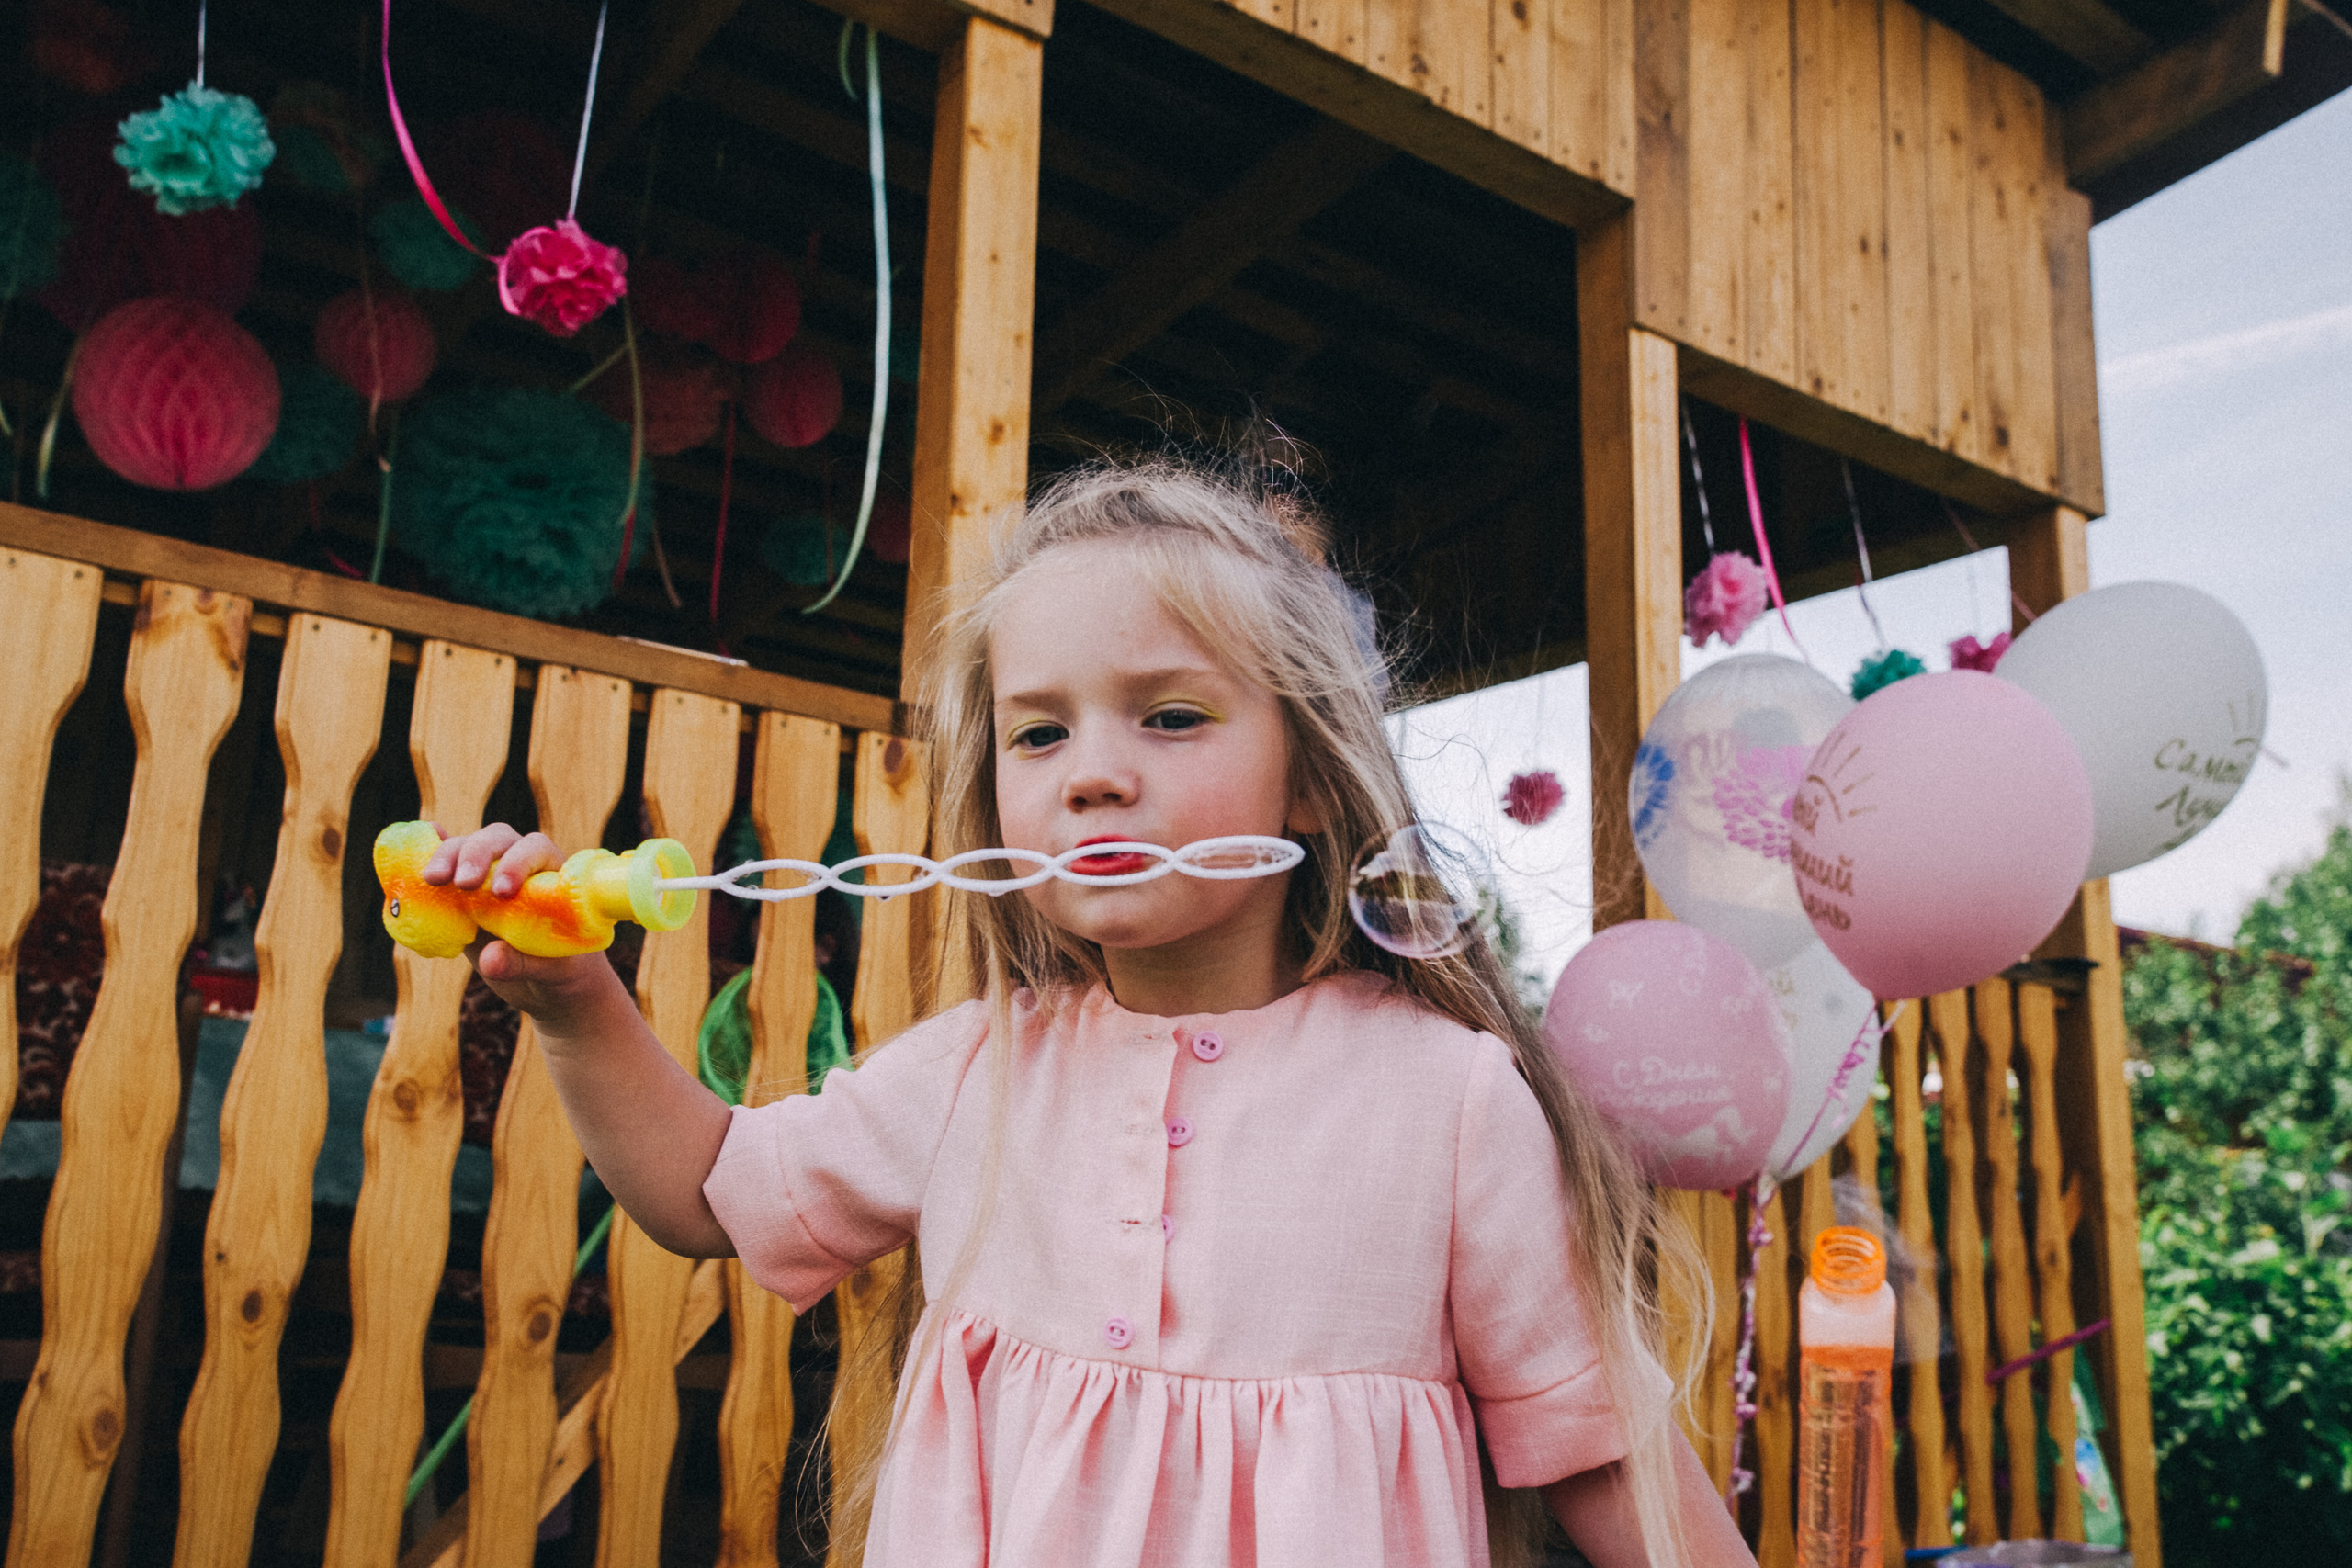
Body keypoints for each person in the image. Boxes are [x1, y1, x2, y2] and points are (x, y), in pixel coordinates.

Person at [422, 458, 1758, 1568]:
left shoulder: (1449, 1100)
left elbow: (1596, 1451)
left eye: (1169, 718)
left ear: (1309, 779)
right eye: (1040, 734)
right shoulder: (977, 1074)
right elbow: (708, 1194)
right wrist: (572, 998)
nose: (1094, 777)